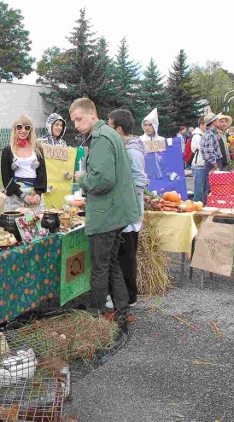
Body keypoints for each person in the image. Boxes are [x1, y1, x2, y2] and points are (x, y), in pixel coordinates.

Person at [70, 98, 140, 321]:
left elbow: (103, 181)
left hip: (106, 213)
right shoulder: (109, 134)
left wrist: (83, 178)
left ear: (92, 115)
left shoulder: (100, 138)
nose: (76, 125)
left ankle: (96, 313)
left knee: (100, 266)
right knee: (110, 263)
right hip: (117, 211)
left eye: (79, 119)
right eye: (74, 121)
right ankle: (122, 308)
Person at [106, 109, 148, 313]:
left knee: (126, 257)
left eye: (110, 125)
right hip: (127, 212)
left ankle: (129, 297)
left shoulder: (132, 151)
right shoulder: (127, 147)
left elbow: (139, 181)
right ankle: (123, 294)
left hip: (129, 214)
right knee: (123, 256)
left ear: (119, 129)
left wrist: (126, 202)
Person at [1, 115, 48, 211]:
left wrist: (38, 194)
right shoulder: (8, 150)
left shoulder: (37, 148)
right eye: (19, 127)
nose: (23, 131)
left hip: (34, 195)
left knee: (35, 223)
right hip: (16, 194)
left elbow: (42, 173)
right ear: (15, 128)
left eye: (27, 127)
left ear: (31, 130)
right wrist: (22, 195)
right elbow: (6, 178)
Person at [190, 117, 208, 203]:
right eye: (205, 126)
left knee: (204, 190)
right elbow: (202, 149)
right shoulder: (197, 136)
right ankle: (194, 207)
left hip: (202, 164)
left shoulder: (202, 135)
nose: (207, 128)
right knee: (199, 191)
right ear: (201, 125)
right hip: (198, 164)